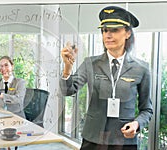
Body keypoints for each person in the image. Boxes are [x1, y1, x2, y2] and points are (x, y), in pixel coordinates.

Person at [60, 6, 153, 150]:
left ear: (128, 33)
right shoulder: (90, 63)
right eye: (104, 30)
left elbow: (146, 109)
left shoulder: (141, 68)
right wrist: (67, 68)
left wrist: (136, 124)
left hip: (123, 140)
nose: (107, 35)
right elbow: (67, 91)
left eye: (114, 30)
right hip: (93, 138)